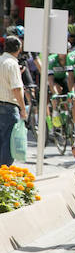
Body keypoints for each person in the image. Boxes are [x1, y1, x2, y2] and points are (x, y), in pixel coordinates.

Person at [0, 37, 27, 166]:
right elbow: (16, 89)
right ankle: (3, 177)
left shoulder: (1, 60)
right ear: (18, 48)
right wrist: (23, 108)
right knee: (8, 143)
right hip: (9, 107)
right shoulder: (12, 64)